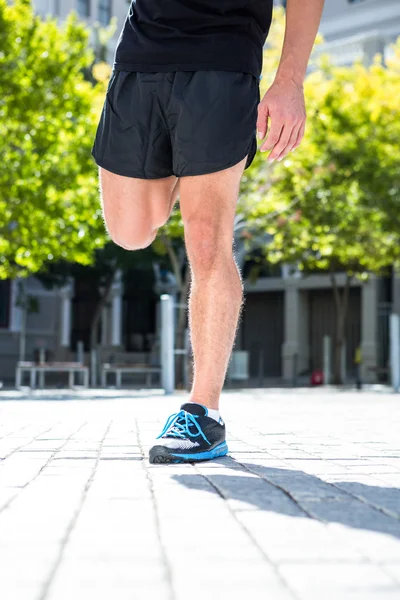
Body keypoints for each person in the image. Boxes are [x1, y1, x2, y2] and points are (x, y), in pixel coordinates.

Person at [92, 0, 325, 464]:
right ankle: (188, 170)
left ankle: (204, 413)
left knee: (206, 239)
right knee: (130, 230)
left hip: (224, 60)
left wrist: (289, 82)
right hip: (142, 54)